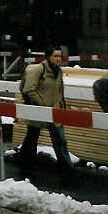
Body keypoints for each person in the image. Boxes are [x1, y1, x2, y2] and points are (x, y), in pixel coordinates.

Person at [16, 45, 75, 178]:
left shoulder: (58, 71)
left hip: (55, 112)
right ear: (48, 57)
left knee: (60, 140)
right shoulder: (38, 70)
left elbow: (59, 91)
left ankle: (67, 169)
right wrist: (43, 104)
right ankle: (26, 163)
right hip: (39, 111)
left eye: (60, 56)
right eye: (55, 56)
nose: (58, 59)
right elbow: (28, 89)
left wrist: (62, 106)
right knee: (32, 137)